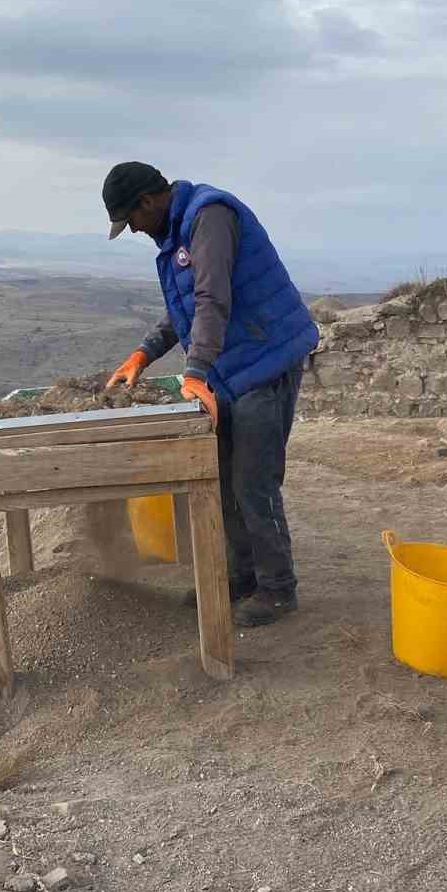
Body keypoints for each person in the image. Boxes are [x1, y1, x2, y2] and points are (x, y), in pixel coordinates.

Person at [100, 162, 319, 625]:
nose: (135, 231)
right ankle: (240, 578)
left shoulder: (209, 217)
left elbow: (211, 299)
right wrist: (143, 354)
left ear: (146, 201)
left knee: (253, 484)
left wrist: (195, 371)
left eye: (131, 221)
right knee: (221, 479)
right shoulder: (179, 231)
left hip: (265, 360)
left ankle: (278, 589)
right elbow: (183, 308)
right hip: (231, 366)